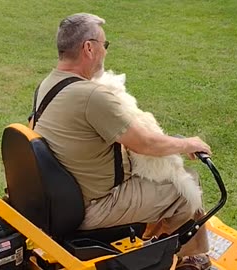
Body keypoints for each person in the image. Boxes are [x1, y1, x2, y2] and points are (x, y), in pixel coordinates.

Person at [29, 13, 212, 270]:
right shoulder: (93, 95)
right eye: (105, 45)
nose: (105, 52)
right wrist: (187, 144)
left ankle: (154, 236)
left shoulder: (47, 85)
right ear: (89, 48)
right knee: (187, 185)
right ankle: (185, 255)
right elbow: (145, 143)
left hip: (59, 197)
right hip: (94, 206)